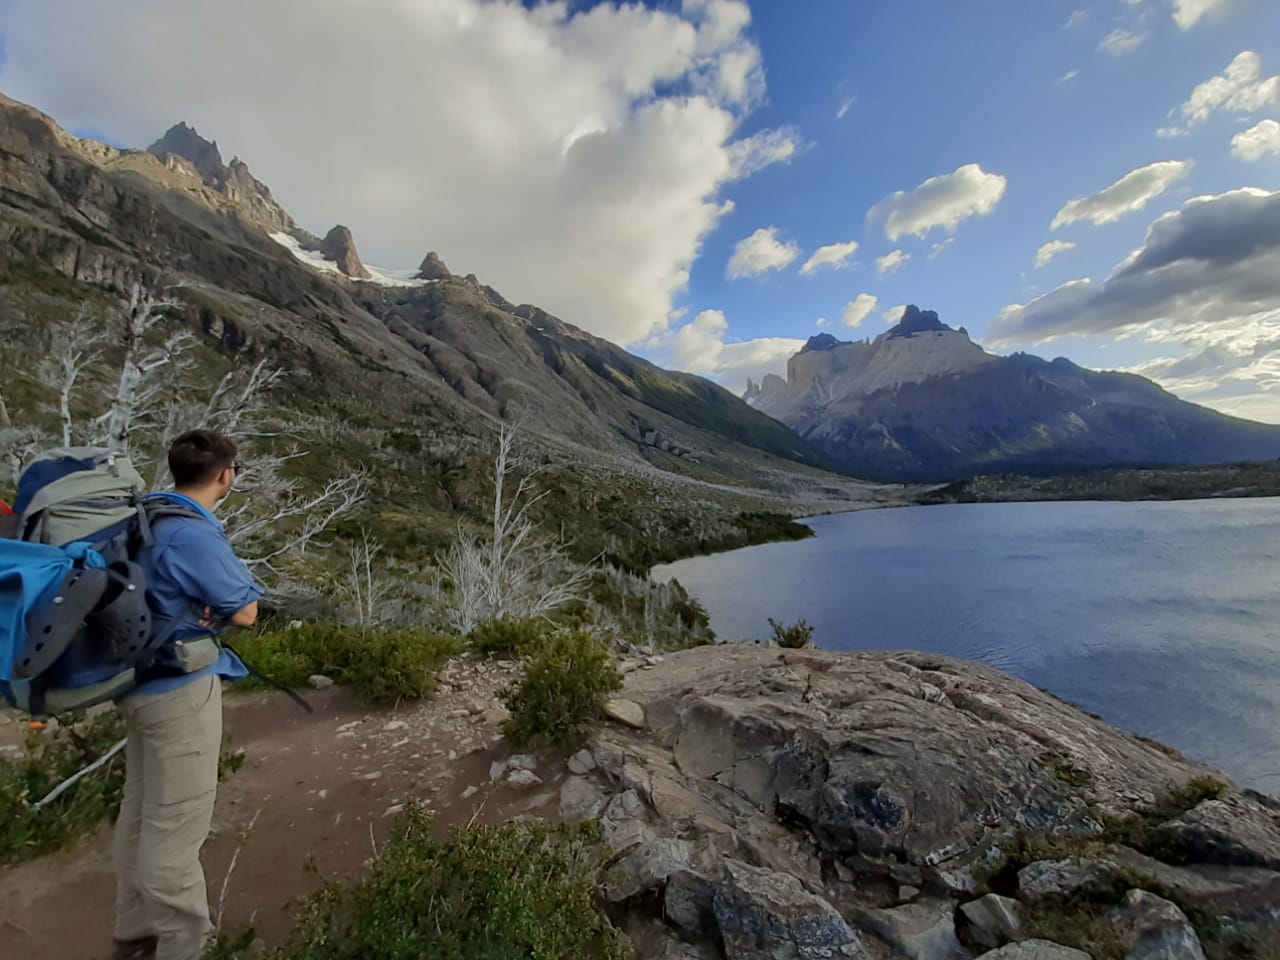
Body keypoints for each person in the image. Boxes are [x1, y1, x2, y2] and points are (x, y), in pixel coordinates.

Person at [112, 430, 261, 960]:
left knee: (140, 810)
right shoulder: (194, 535)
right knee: (176, 823)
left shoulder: (145, 516)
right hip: (179, 690)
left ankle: (134, 932)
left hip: (135, 682)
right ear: (226, 475)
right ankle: (184, 946)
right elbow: (245, 610)